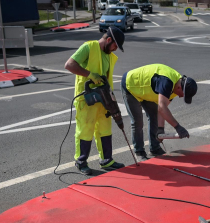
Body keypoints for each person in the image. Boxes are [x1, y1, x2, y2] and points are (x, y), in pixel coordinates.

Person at [64, 27, 125, 175]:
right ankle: (81, 161)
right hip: (87, 99)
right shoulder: (89, 47)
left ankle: (107, 160)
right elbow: (69, 65)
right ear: (108, 40)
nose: (115, 49)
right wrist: (90, 74)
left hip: (104, 100)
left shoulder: (109, 55)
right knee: (85, 131)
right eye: (115, 45)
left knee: (104, 129)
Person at [121, 64, 198, 161]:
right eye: (183, 94)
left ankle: (155, 148)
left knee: (153, 117)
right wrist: (177, 127)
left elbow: (161, 110)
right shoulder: (167, 82)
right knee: (137, 121)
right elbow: (162, 108)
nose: (181, 97)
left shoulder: (176, 87)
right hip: (131, 86)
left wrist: (160, 129)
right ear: (179, 87)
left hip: (147, 90)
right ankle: (139, 152)